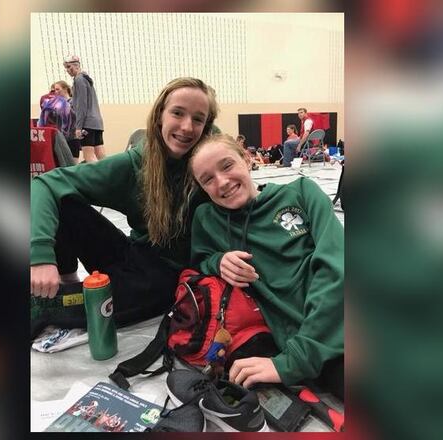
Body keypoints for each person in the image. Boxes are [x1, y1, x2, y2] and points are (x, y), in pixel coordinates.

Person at [30, 77, 218, 326]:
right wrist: (41, 257)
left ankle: (48, 304)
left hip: (167, 276)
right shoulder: (133, 164)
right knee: (65, 200)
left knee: (133, 296)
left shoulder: (211, 163)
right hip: (131, 254)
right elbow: (44, 184)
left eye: (198, 119)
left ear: (206, 127)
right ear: (160, 115)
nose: (186, 127)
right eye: (178, 113)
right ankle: (62, 283)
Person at [187, 134, 344, 397]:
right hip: (320, 353)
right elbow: (199, 261)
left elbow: (338, 269)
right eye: (207, 179)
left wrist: (293, 361)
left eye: (227, 166)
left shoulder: (302, 193)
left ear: (247, 159)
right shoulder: (207, 220)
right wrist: (218, 262)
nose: (222, 182)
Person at [63, 55, 105, 162]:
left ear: (76, 66)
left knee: (88, 155)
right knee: (101, 154)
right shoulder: (86, 79)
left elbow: (81, 105)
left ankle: (98, 178)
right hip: (97, 122)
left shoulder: (79, 79)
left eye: (69, 67)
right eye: (66, 68)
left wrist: (78, 127)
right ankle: (110, 176)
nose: (68, 70)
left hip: (87, 123)